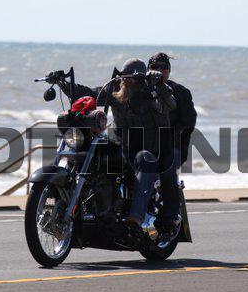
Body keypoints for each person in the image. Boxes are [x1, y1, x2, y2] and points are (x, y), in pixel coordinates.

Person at [60, 59, 176, 240]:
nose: (126, 81)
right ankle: (82, 206)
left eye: (131, 78)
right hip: (121, 145)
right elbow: (90, 93)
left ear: (141, 79)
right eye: (123, 77)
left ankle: (135, 218)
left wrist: (160, 84)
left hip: (149, 149)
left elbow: (170, 104)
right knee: (91, 150)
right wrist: (65, 84)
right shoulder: (115, 90)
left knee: (144, 158)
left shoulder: (153, 93)